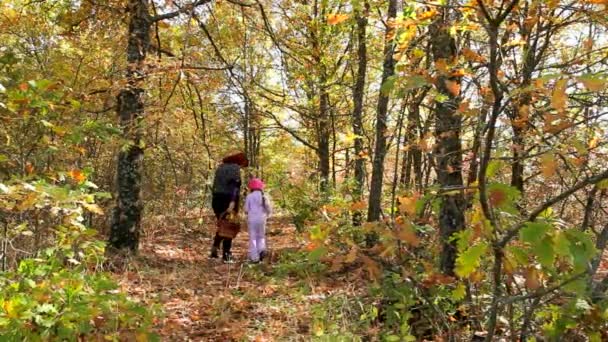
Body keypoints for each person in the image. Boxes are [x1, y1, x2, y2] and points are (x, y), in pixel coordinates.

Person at [210, 152, 248, 263]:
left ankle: (215, 247)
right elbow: (235, 187)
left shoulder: (220, 168)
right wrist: (232, 202)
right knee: (229, 226)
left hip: (216, 200)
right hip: (228, 200)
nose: (241, 167)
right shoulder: (235, 168)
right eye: (242, 165)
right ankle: (226, 255)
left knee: (222, 225)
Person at [244, 178, 272, 263]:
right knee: (261, 235)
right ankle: (261, 250)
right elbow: (268, 208)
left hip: (252, 219)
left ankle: (254, 257)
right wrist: (268, 214)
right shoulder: (264, 196)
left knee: (253, 237)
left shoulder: (249, 196)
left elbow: (246, 209)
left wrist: (247, 213)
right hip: (262, 219)